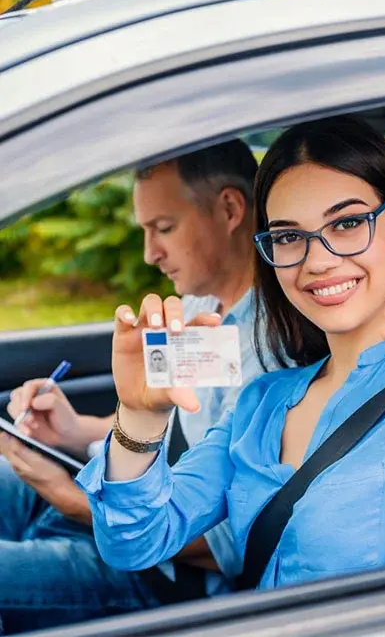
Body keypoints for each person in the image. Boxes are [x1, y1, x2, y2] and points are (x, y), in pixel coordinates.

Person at [78, 115, 385, 590]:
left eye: (349, 223)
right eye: (288, 236)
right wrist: (137, 416)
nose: (317, 260)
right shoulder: (260, 403)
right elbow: (134, 543)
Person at [0, 139, 267, 634]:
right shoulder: (195, 308)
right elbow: (163, 432)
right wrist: (73, 430)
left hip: (161, 574)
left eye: (164, 228)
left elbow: (225, 546)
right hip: (112, 500)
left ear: (230, 208)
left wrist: (67, 498)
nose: (149, 254)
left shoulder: (268, 354)